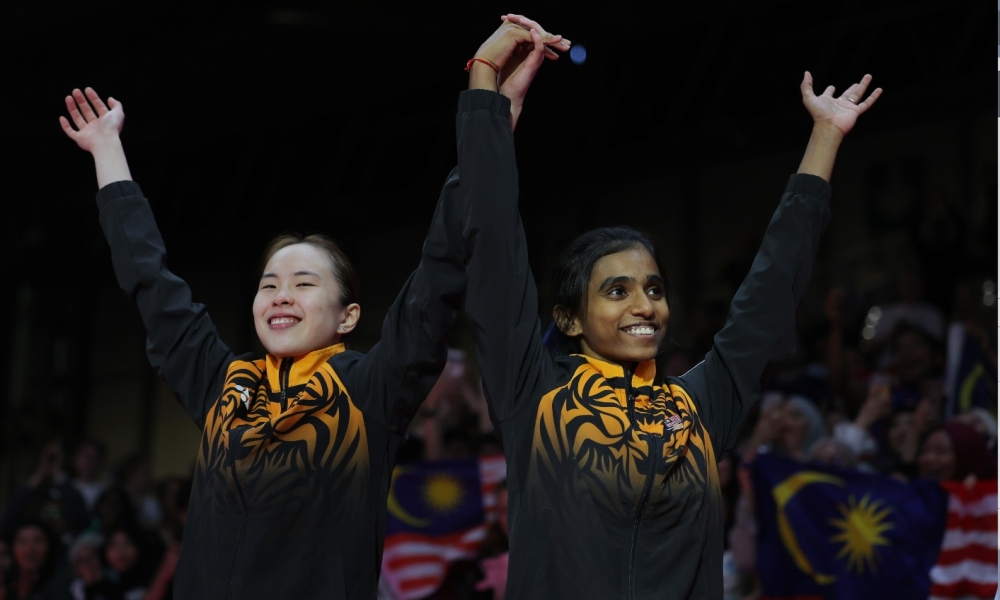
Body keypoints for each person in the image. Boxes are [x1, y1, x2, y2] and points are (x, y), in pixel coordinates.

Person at [459, 14, 881, 598]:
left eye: (654, 289)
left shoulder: (700, 407)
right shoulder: (533, 394)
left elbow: (770, 293)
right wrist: (484, 89)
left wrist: (827, 136)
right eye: (617, 290)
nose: (645, 305)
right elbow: (494, 251)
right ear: (569, 318)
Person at [59, 75, 474, 597]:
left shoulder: (370, 391)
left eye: (304, 284)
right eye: (269, 284)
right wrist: (106, 148)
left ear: (347, 317)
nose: (280, 295)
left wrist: (489, 121)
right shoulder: (222, 385)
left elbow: (435, 282)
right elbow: (151, 283)